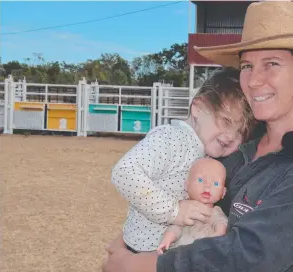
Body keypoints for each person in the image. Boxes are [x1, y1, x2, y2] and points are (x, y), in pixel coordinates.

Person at [102, 1, 293, 272]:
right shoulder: (235, 145)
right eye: (246, 66)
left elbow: (246, 259)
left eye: (271, 64)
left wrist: (139, 266)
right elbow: (183, 193)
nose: (253, 81)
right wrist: (129, 243)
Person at [108, 67, 256, 254]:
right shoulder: (173, 138)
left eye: (240, 133)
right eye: (226, 121)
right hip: (145, 250)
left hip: (170, 250)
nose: (230, 136)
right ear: (197, 107)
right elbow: (125, 172)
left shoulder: (205, 153)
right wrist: (174, 211)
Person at [156, 157, 228, 255]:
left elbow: (221, 225)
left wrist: (215, 238)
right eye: (200, 179)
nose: (207, 185)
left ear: (223, 193)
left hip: (201, 255)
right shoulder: (184, 209)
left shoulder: (214, 212)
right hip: (178, 254)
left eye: (215, 183)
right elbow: (175, 228)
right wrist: (167, 239)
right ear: (186, 185)